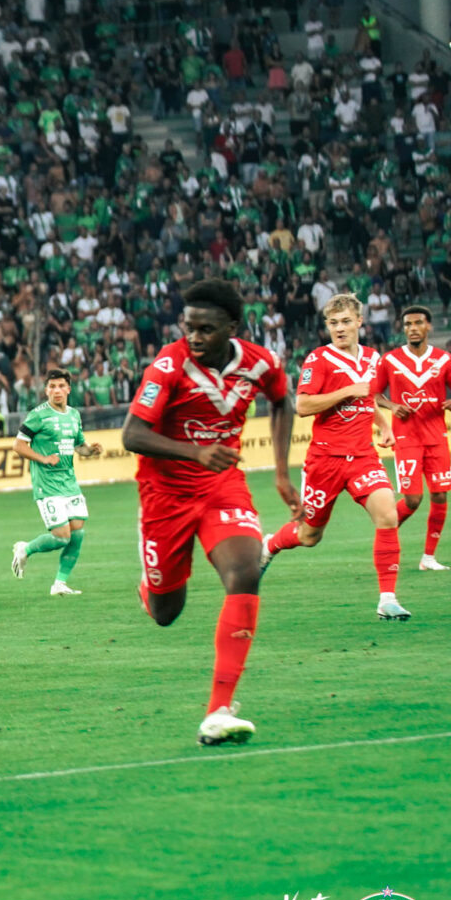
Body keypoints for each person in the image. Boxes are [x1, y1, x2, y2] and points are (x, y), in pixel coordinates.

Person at [122, 279, 298, 746]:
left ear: (232, 327)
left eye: (206, 329)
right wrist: (196, 452)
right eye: (189, 328)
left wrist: (282, 473)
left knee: (245, 572)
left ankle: (218, 711)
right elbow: (132, 435)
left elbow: (283, 400)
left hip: (223, 486)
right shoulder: (168, 365)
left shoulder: (261, 363)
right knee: (166, 612)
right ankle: (151, 588)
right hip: (164, 496)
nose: (195, 337)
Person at [262, 294, 409, 619]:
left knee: (388, 515)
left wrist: (384, 425)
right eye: (333, 323)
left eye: (345, 321)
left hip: (363, 457)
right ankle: (269, 545)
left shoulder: (372, 358)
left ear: (359, 322)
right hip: (325, 460)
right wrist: (346, 391)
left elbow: (368, 398)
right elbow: (302, 405)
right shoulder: (318, 359)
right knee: (309, 535)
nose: (339, 328)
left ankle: (387, 599)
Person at [371, 305, 451, 570]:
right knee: (413, 500)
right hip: (406, 438)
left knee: (440, 495)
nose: (413, 328)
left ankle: (428, 558)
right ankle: (385, 537)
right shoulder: (390, 360)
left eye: (418, 323)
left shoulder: (443, 360)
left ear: (428, 326)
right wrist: (392, 406)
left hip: (437, 437)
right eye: (408, 324)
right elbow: (373, 394)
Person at [9, 369, 102, 596]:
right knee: (62, 537)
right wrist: (43, 459)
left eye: (61, 386)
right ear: (46, 390)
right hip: (47, 485)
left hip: (69, 483)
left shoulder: (74, 415)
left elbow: (78, 446)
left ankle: (59, 583)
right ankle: (25, 549)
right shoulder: (38, 415)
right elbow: (18, 445)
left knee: (77, 533)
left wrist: (90, 451)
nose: (56, 390)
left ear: (68, 389)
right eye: (52, 387)